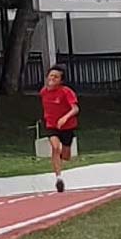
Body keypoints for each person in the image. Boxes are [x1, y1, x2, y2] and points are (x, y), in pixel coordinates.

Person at [39, 64, 79, 193]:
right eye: (50, 76)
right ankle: (59, 178)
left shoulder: (66, 91)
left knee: (66, 156)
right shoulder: (43, 92)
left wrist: (65, 118)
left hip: (67, 126)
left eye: (56, 77)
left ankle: (60, 156)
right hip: (52, 125)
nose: (52, 79)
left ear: (61, 80)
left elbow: (75, 108)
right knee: (55, 147)